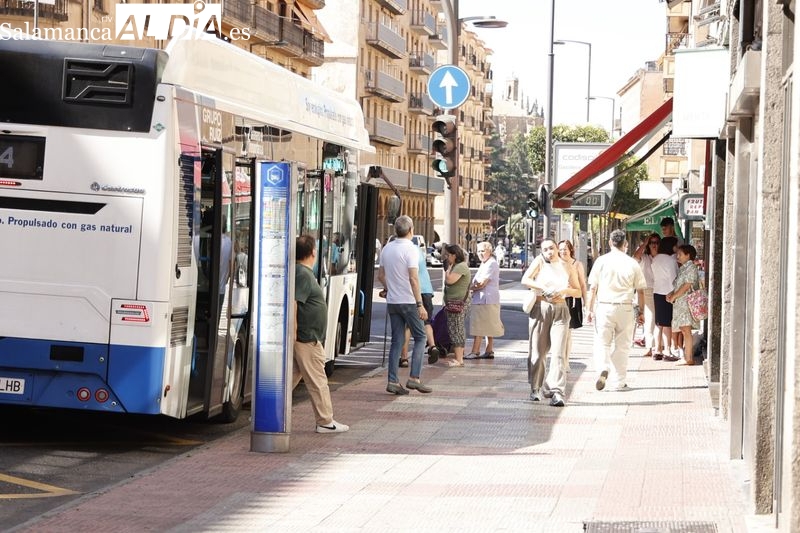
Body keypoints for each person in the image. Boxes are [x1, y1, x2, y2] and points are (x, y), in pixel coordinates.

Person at [293, 234, 349, 433]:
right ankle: (325, 421)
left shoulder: (301, 272)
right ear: (313, 253)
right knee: (318, 381)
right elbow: (294, 304)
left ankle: (263, 413)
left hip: (304, 337)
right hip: (307, 338)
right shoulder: (303, 274)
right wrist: (294, 333)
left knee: (287, 380)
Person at [521, 239, 581, 407]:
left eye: (552, 248)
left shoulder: (568, 265)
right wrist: (542, 287)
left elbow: (577, 292)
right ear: (542, 251)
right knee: (538, 353)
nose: (550, 252)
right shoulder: (539, 262)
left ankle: (557, 391)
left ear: (557, 249)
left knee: (559, 353)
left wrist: (565, 291)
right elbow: (526, 279)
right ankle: (536, 388)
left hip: (561, 309)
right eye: (546, 249)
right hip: (541, 308)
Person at [585, 230, 647, 393]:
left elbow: (593, 287)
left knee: (602, 342)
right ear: (625, 244)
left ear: (610, 243)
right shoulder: (632, 263)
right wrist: (641, 312)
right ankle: (619, 381)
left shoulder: (601, 261)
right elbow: (640, 291)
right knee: (623, 345)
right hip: (625, 307)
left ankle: (603, 368)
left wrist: (589, 310)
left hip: (604, 306)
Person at [377, 215, 432, 395]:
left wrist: (388, 288)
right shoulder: (412, 249)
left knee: (397, 340)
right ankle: (414, 378)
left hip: (393, 301)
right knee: (421, 337)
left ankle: (392, 380)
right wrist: (420, 304)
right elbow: (414, 279)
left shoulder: (387, 248)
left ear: (395, 231)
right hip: (409, 300)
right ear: (411, 230)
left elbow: (381, 275)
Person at [398, 244, 442, 367]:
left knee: (407, 326)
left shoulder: (405, 251)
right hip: (427, 290)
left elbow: (410, 275)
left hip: (414, 290)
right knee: (426, 322)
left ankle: (404, 358)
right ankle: (432, 346)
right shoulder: (417, 250)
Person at [466, 242, 504, 360]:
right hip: (486, 298)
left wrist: (468, 288)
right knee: (488, 325)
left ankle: (475, 351)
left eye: (483, 251)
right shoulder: (486, 263)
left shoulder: (490, 264)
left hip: (485, 299)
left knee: (480, 325)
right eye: (478, 251)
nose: (480, 254)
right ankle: (489, 350)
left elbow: (482, 283)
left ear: (489, 251)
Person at [666, 244, 701, 365]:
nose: (678, 256)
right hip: (680, 303)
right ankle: (687, 357)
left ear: (688, 255)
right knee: (683, 329)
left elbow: (687, 285)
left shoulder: (691, 268)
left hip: (686, 303)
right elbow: (679, 285)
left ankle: (689, 358)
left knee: (686, 329)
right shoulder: (683, 268)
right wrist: (672, 294)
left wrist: (674, 296)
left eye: (680, 254)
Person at [557, 240, 587, 373]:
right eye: (561, 249)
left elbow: (582, 284)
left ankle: (566, 361)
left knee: (568, 333)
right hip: (557, 299)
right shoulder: (555, 263)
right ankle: (558, 360)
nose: (563, 251)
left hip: (572, 300)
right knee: (559, 333)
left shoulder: (576, 264)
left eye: (565, 249)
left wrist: (586, 302)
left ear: (570, 250)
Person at [441, 243, 471, 367]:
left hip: (458, 303)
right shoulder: (458, 266)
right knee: (454, 329)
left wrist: (448, 269)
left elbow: (449, 280)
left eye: (448, 255)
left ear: (454, 255)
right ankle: (459, 358)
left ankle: (459, 359)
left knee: (456, 329)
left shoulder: (460, 267)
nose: (446, 257)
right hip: (454, 302)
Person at [651, 236, 679, 360]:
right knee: (667, 323)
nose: (677, 248)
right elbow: (674, 278)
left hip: (657, 291)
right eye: (675, 246)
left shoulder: (655, 259)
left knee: (658, 323)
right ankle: (668, 350)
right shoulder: (670, 260)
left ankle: (657, 350)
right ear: (671, 246)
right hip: (669, 292)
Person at [632, 233, 660, 357]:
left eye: (656, 242)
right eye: (652, 242)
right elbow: (635, 256)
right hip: (647, 290)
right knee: (649, 319)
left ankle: (658, 346)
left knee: (659, 320)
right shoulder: (644, 257)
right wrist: (644, 243)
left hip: (662, 290)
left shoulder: (662, 257)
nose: (654, 245)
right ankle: (650, 347)